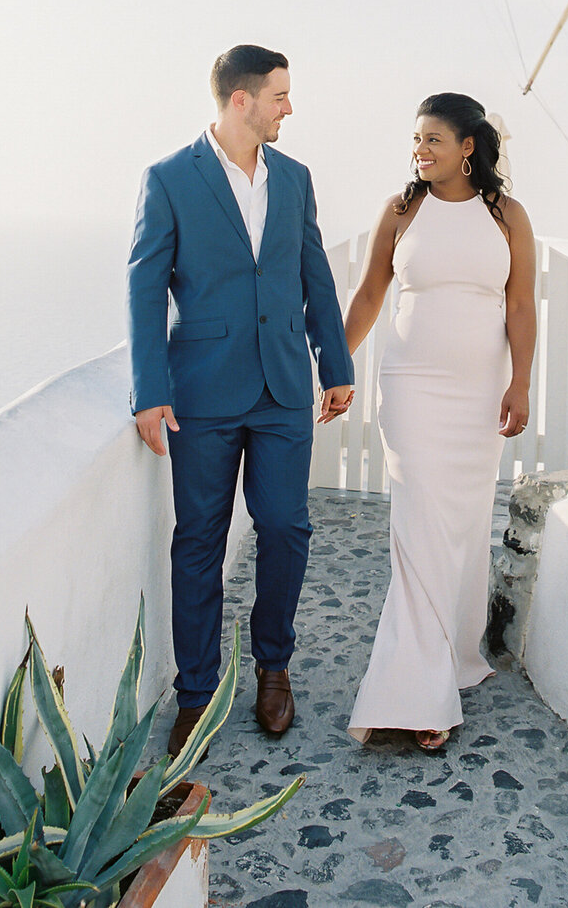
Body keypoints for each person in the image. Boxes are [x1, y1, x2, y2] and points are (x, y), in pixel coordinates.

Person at [127, 45, 355, 754]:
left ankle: (274, 667)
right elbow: (144, 287)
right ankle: (195, 694)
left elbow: (313, 272)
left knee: (287, 527)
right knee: (198, 539)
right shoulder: (168, 179)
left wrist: (336, 361)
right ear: (241, 100)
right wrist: (149, 390)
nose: (290, 107)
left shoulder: (295, 179)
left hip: (285, 384)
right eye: (280, 95)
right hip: (202, 390)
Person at [344, 93, 535, 750]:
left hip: (478, 395)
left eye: (432, 140)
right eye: (416, 141)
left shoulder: (506, 216)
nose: (420, 152)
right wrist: (337, 366)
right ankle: (418, 696)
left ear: (467, 147)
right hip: (412, 389)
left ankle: (450, 656)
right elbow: (370, 294)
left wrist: (521, 382)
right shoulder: (402, 212)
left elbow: (520, 310)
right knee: (421, 526)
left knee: (461, 525)